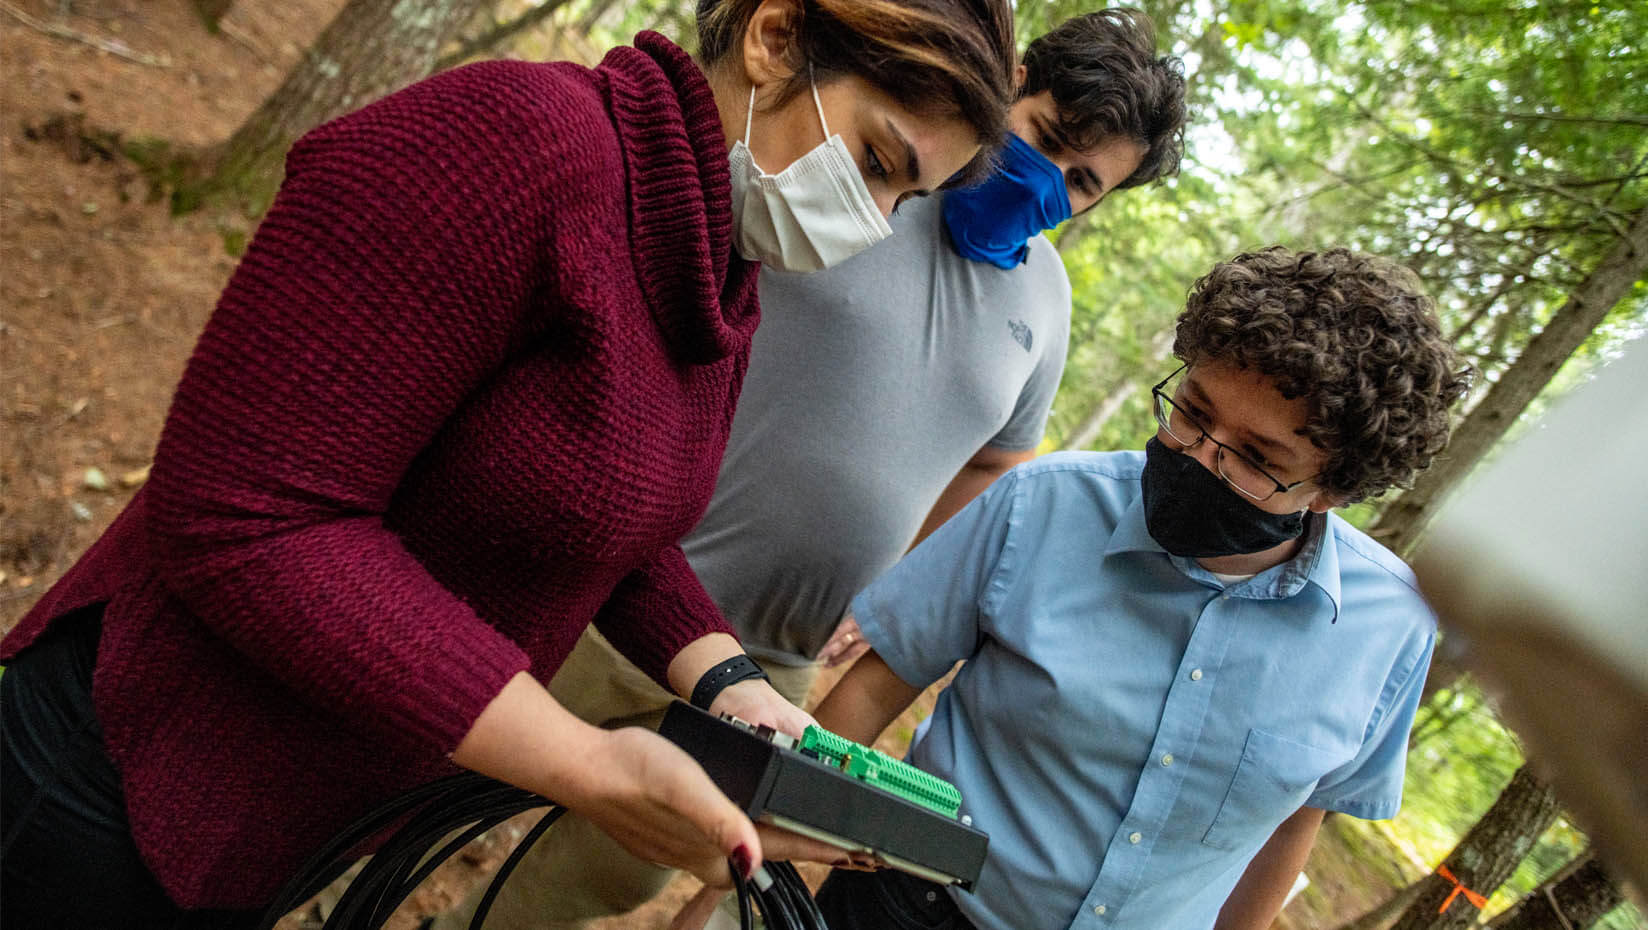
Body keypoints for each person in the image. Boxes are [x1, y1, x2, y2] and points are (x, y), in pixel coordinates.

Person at [0, 0, 1018, 925]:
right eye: (880, 162)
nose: (876, 223)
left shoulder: (714, 270)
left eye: (904, 199)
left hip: (296, 816)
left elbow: (614, 524)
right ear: (775, 37)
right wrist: (579, 761)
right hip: (127, 773)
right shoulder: (514, 143)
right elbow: (249, 515)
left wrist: (734, 689)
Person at [428, 10, 1188, 930]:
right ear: (1010, 85)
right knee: (439, 765)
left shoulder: (1046, 306)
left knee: (614, 871)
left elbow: (995, 461)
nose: (1050, 185)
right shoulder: (842, 173)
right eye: (1047, 140)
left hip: (771, 656)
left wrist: (899, 590)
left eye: (1082, 183)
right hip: (612, 569)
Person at [808, 246, 1474, 930]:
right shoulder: (1046, 503)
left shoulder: (1390, 630)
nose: (1196, 453)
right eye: (1191, 410)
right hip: (902, 907)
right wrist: (759, 856)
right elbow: (876, 685)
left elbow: (1293, 825)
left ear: (1334, 489)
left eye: (1255, 456)